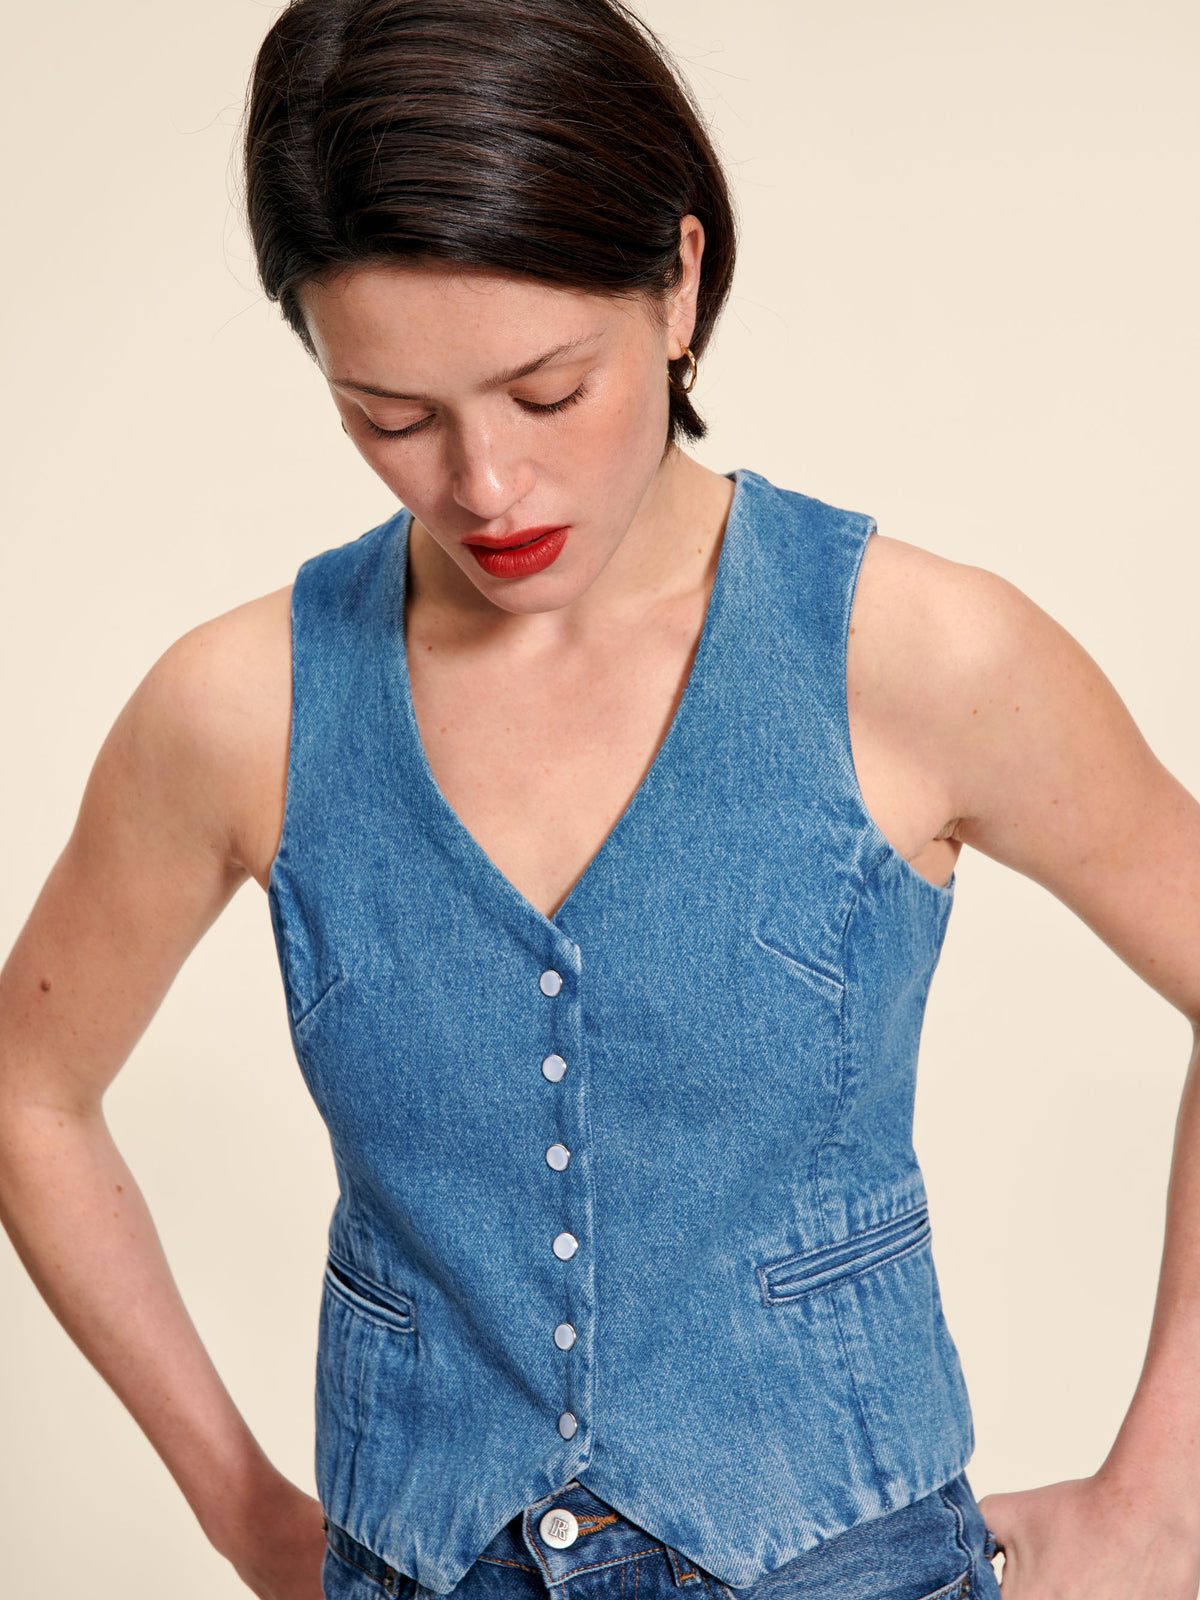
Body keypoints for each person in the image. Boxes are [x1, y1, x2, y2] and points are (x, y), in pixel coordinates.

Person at [2, 2, 1199, 1599]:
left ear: (679, 284)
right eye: (393, 418)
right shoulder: (245, 708)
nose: (485, 486)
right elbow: (29, 1094)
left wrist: (1161, 1502)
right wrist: (248, 1514)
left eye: (548, 391)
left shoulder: (914, 657)